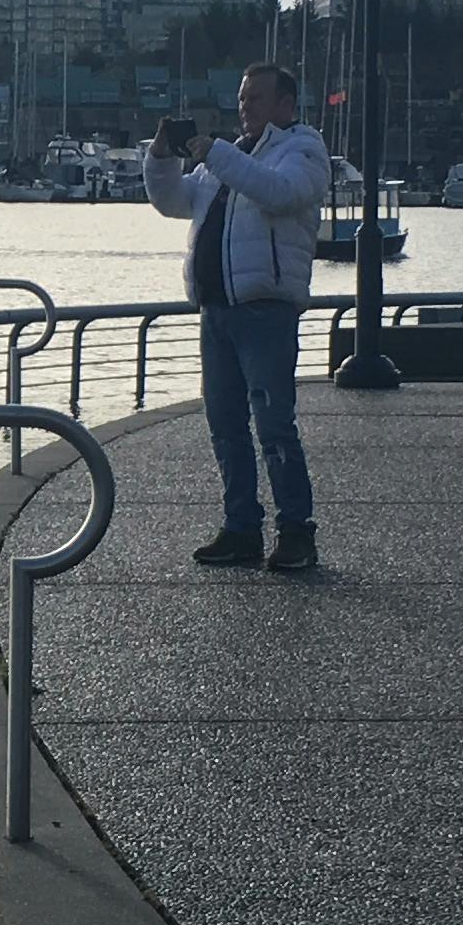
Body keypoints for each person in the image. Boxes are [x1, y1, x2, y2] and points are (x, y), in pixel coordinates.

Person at [147, 61, 324, 572]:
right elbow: (172, 201)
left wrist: (218, 153)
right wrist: (160, 155)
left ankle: (297, 531)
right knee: (225, 424)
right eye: (243, 98)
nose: (246, 107)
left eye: (257, 99)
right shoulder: (227, 160)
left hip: (266, 310)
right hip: (217, 309)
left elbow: (279, 192)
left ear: (286, 105)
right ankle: (241, 526)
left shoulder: (303, 151)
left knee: (274, 424)